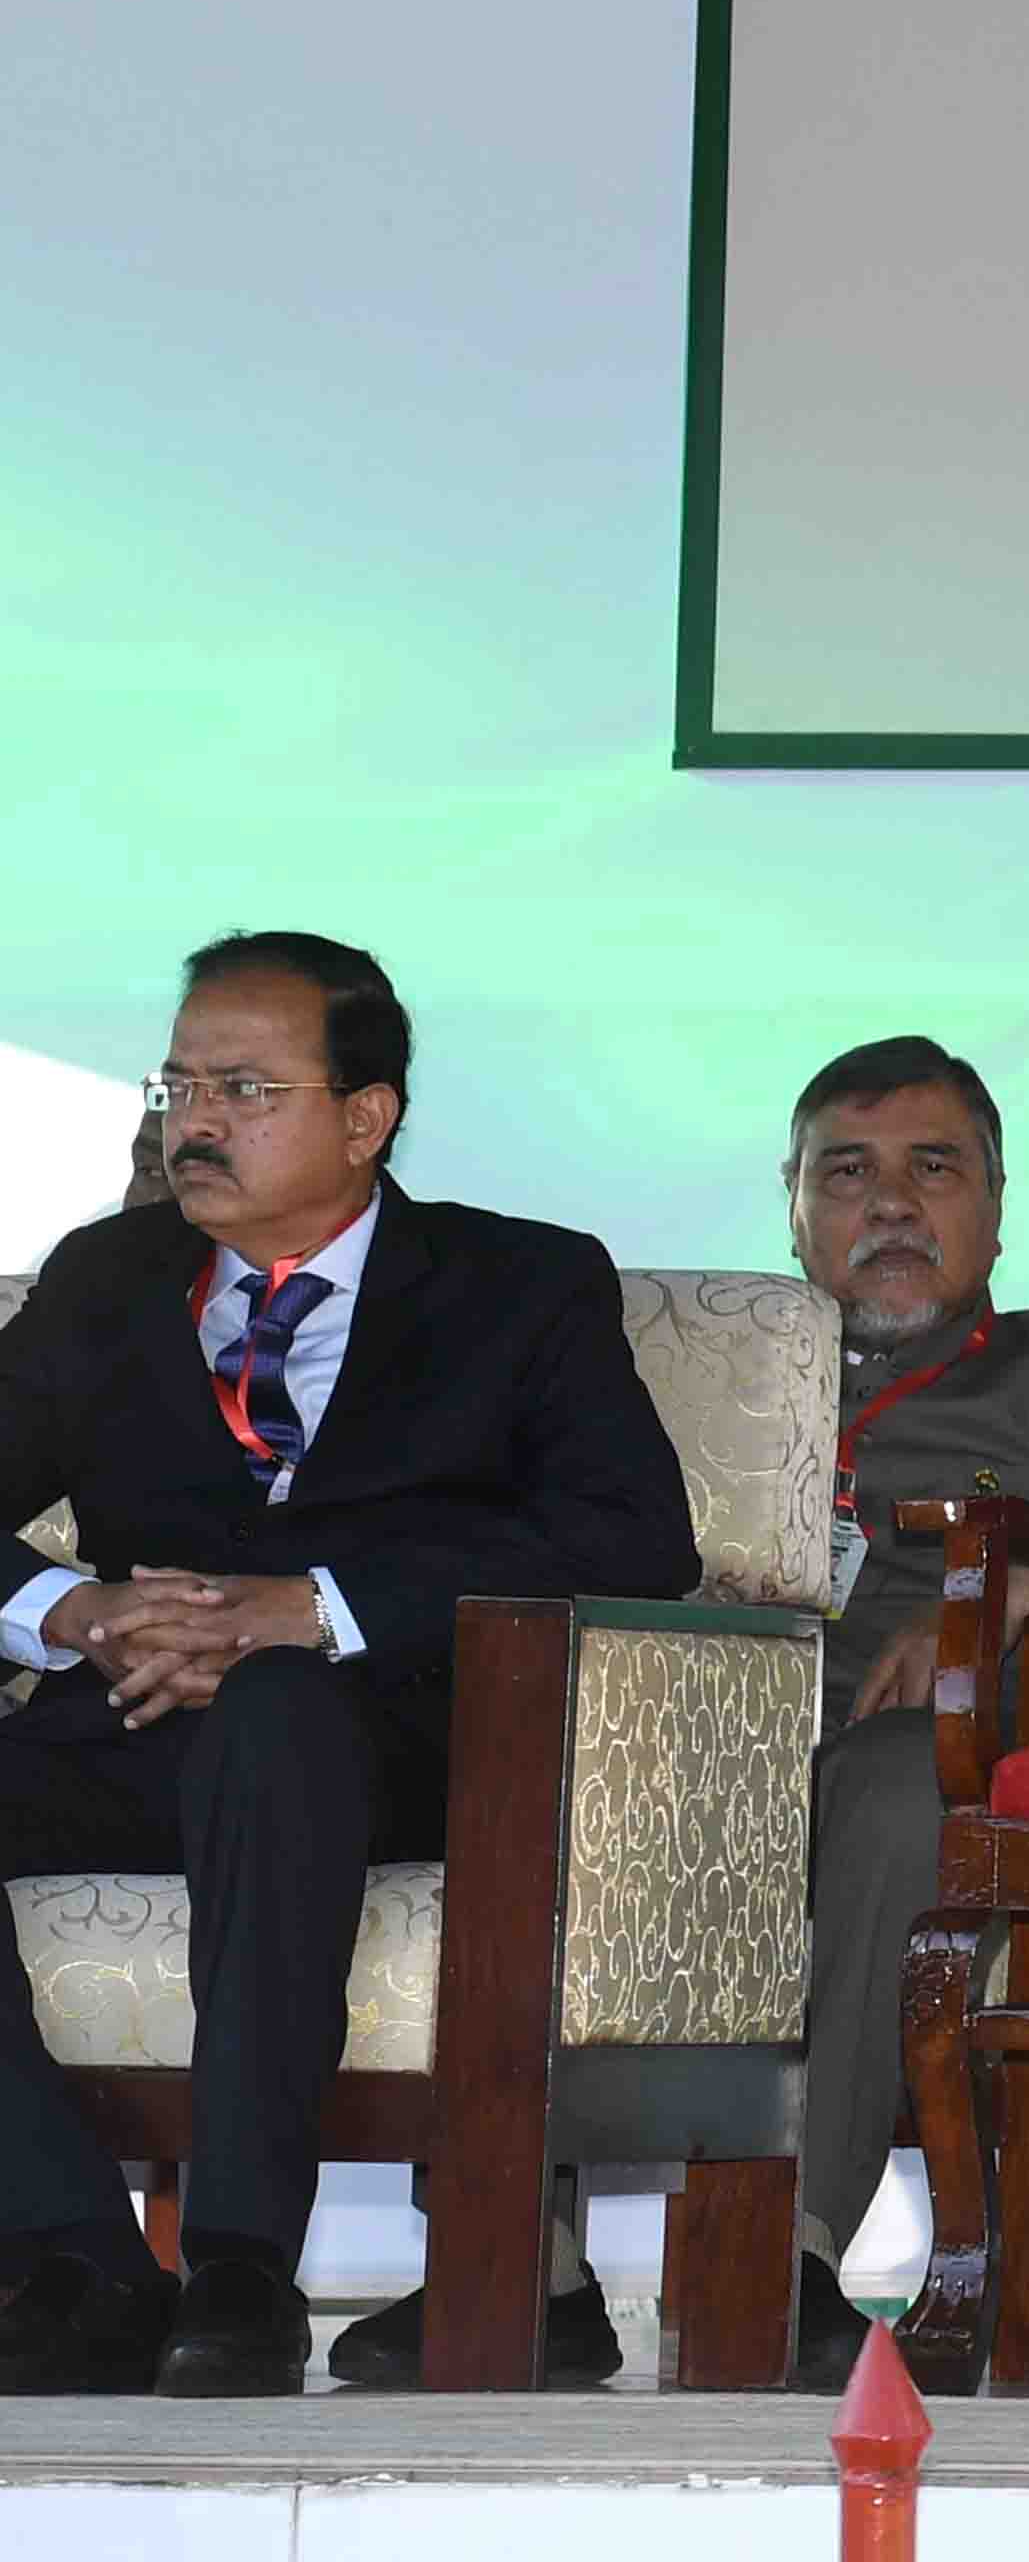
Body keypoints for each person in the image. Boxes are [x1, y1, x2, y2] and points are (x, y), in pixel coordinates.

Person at [323, 1035, 1029, 2395]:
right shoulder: (691, 1363)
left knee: (895, 1784)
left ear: (995, 1199)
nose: (890, 1204)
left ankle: (794, 2258)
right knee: (499, 1753)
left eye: (933, 1169)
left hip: (942, 1729)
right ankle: (531, 2265)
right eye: (848, 1172)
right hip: (699, 1720)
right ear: (792, 1200)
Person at [0, 934, 697, 2399]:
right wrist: (74, 1611)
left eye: (243, 1087)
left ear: (366, 1116)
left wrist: (316, 1606)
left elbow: (634, 1538)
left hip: (397, 1744)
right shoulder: (106, 1278)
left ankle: (243, 2264)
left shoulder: (521, 1283)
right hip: (133, 1723)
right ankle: (76, 2254)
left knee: (276, 1709)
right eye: (181, 1082)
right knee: (226, 1713)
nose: (196, 1119)